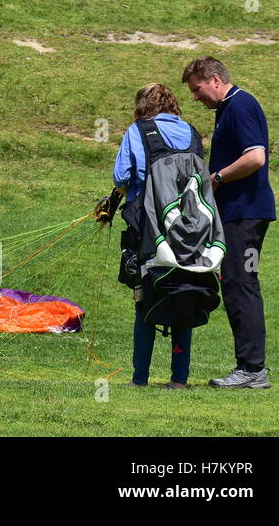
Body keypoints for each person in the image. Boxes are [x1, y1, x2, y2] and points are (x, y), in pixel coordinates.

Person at [182, 57, 274, 389]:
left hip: (246, 212)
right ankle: (250, 367)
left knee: (241, 283)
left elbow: (255, 157)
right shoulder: (228, 109)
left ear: (216, 79)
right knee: (236, 282)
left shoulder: (240, 105)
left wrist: (216, 177)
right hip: (236, 212)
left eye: (197, 89)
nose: (195, 97)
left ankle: (252, 369)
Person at [110, 84, 198, 389]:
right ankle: (179, 379)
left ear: (143, 105)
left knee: (145, 295)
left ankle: (140, 378)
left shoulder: (139, 130)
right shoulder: (192, 132)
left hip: (148, 226)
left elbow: (122, 176)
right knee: (184, 293)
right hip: (189, 227)